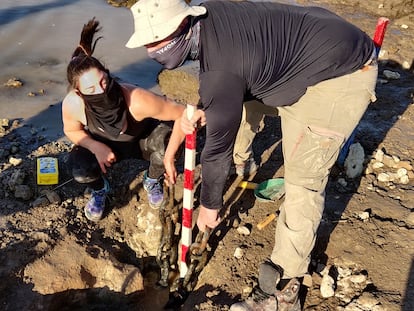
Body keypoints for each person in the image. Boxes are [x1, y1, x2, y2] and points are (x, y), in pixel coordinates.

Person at [125, 1, 378, 310]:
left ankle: (285, 285)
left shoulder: (221, 67)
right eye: (147, 43)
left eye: (157, 40)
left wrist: (209, 204)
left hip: (340, 74)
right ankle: (243, 163)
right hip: (306, 50)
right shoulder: (207, 17)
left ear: (182, 25)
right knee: (239, 106)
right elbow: (224, 86)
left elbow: (217, 146)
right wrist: (204, 117)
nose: (152, 50)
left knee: (303, 179)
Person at [62, 18, 188, 222]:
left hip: (143, 140)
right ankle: (100, 189)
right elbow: (72, 131)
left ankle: (152, 179)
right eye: (91, 89)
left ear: (108, 73)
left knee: (168, 145)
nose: (102, 90)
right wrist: (94, 147)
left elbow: (182, 113)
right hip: (105, 146)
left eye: (103, 81)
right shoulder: (73, 104)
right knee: (79, 168)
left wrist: (169, 156)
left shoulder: (136, 99)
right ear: (79, 92)